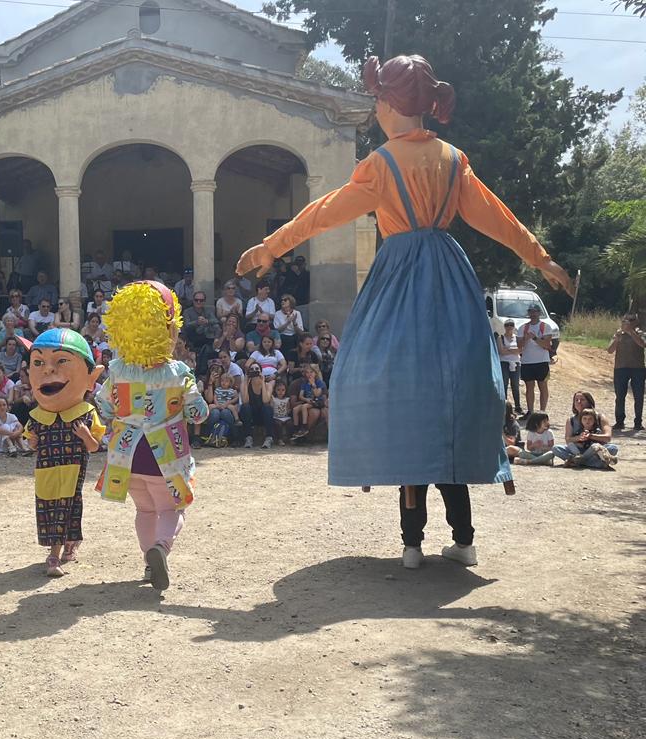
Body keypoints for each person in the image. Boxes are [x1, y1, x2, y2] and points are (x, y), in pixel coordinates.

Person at [236, 54, 574, 570]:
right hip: (449, 277)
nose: (373, 106)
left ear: (391, 102)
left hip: (397, 277)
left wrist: (270, 247)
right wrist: (540, 257)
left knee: (375, 378)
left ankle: (411, 543)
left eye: (376, 97)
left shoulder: (381, 164)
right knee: (453, 393)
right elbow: (497, 217)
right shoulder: (453, 159)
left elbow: (322, 212)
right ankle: (464, 538)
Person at [95, 282, 209, 590]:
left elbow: (104, 405)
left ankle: (149, 562)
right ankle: (161, 548)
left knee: (144, 510)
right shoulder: (178, 373)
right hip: (165, 456)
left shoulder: (117, 369)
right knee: (171, 509)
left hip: (126, 456)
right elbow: (199, 413)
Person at [24, 329, 105, 576]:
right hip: (46, 470)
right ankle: (68, 544)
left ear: (91, 378)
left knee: (67, 506)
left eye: (61, 361)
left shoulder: (86, 413)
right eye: (38, 363)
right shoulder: (37, 417)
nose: (48, 370)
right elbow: (31, 444)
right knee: (50, 507)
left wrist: (85, 436)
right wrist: (34, 442)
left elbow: (94, 447)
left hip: (73, 468)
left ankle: (54, 556)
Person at [607, 313, 645, 431]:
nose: (627, 323)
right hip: (620, 368)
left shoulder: (640, 333)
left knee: (638, 396)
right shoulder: (618, 334)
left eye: (631, 321)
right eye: (625, 320)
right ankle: (619, 421)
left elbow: (642, 344)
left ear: (635, 322)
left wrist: (631, 332)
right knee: (620, 396)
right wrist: (617, 339)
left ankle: (638, 422)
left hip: (638, 368)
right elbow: (610, 350)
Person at [553, 404, 618, 469]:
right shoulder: (579, 431)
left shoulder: (597, 431)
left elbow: (603, 442)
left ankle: (576, 462)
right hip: (579, 452)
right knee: (556, 448)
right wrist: (579, 439)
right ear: (581, 420)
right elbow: (569, 441)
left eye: (590, 419)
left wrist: (591, 436)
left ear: (594, 420)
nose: (587, 421)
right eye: (585, 419)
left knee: (612, 447)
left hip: (592, 453)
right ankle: (595, 463)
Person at [519, 305, 556, 414]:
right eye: (531, 312)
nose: (533, 314)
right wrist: (526, 338)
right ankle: (530, 411)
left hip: (541, 361)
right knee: (529, 387)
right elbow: (519, 346)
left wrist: (534, 338)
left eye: (535, 312)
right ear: (528, 313)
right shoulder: (523, 328)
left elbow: (546, 345)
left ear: (539, 313)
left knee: (543, 386)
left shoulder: (545, 327)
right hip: (527, 361)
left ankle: (542, 412)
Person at [240, 360, 275, 449]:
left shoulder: (268, 385)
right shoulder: (244, 384)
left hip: (263, 415)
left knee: (267, 407)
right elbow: (245, 401)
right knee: (245, 407)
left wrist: (262, 382)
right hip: (251, 415)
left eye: (257, 369)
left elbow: (265, 400)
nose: (254, 371)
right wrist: (246, 382)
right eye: (252, 369)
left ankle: (269, 438)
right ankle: (248, 438)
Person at [291, 364, 327, 440]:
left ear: (315, 373)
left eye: (311, 372)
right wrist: (306, 399)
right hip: (309, 401)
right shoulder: (304, 383)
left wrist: (313, 384)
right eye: (307, 372)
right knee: (295, 410)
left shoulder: (319, 382)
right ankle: (296, 429)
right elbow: (301, 396)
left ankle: (304, 427)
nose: (309, 374)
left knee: (304, 407)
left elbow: (317, 394)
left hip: (317, 402)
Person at [206, 371, 240, 448]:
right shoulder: (218, 389)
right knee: (213, 410)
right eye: (222, 381)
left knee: (226, 413)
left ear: (230, 383)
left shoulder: (232, 391)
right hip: (218, 405)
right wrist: (217, 405)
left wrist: (228, 403)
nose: (224, 383)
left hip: (226, 406)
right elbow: (214, 397)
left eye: (226, 381)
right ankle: (209, 435)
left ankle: (234, 436)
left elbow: (236, 398)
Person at [497, 319, 522, 416]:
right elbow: (501, 351)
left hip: (516, 363)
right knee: (504, 384)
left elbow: (520, 350)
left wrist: (508, 349)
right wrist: (513, 350)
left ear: (514, 326)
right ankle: (504, 406)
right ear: (504, 326)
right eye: (507, 325)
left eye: (511, 325)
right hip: (504, 363)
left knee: (515, 385)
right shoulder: (501, 338)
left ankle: (518, 406)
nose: (509, 327)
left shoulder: (517, 338)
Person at [274, 295, 305, 362]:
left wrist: (294, 322)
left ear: (291, 302)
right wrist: (288, 322)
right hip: (282, 336)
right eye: (281, 300)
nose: (282, 301)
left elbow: (300, 332)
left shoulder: (297, 313)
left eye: (285, 300)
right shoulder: (277, 314)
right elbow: (278, 330)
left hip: (294, 336)